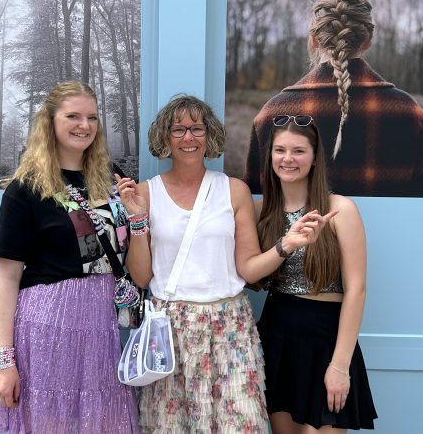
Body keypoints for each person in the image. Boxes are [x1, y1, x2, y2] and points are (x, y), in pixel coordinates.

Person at [116, 95, 331, 433]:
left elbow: (247, 269)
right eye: (179, 129)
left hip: (230, 327)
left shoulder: (233, 190)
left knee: (240, 424)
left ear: (209, 134)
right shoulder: (146, 192)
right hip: (170, 331)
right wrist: (138, 218)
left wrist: (286, 244)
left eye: (197, 128)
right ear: (165, 137)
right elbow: (142, 276)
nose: (189, 137)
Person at [0, 81, 139, 433]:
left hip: (104, 326)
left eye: (92, 117)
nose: (84, 125)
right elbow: (6, 279)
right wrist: (3, 362)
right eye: (72, 116)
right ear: (50, 122)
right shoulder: (26, 189)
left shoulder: (110, 181)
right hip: (49, 325)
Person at [245, 0, 423, 198]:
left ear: (315, 40)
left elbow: (255, 206)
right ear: (368, 39)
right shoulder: (409, 112)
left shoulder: (271, 114)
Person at [256, 115, 377, 432]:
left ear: (314, 157)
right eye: (280, 150)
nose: (288, 159)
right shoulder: (262, 213)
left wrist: (339, 365)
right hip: (277, 337)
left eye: (298, 151)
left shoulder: (340, 210)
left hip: (326, 341)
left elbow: (356, 290)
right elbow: (250, 277)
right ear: (270, 156)